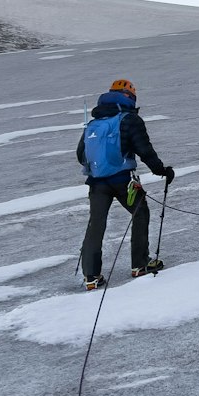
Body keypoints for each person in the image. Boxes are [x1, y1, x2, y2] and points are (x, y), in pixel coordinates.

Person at [76, 79, 175, 290]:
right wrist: (161, 170)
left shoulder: (94, 122)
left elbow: (80, 154)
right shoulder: (130, 119)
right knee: (140, 213)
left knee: (96, 224)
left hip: (96, 183)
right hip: (123, 180)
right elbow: (144, 149)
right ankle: (139, 264)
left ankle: (91, 276)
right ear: (129, 97)